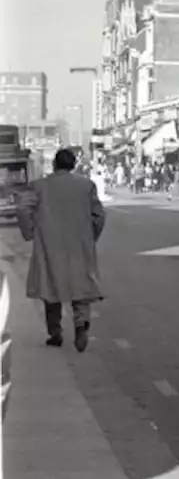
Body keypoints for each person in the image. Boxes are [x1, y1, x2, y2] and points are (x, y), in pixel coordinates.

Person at [16, 148, 106, 352]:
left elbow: (23, 208)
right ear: (73, 165)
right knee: (81, 288)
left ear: (54, 165)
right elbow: (99, 216)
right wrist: (91, 237)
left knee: (51, 289)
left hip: (50, 244)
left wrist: (30, 232)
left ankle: (55, 333)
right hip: (79, 244)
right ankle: (81, 325)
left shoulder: (40, 186)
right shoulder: (86, 186)